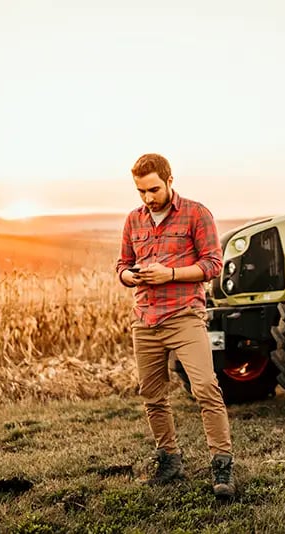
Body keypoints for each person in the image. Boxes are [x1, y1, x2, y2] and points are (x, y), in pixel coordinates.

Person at [116, 153, 235, 498]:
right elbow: (122, 264)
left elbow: (213, 264)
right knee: (152, 396)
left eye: (153, 189)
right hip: (145, 319)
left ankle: (222, 466)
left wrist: (169, 274)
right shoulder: (133, 220)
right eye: (141, 191)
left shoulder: (197, 213)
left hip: (184, 316)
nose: (148, 198)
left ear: (169, 181)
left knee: (205, 389)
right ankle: (169, 461)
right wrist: (129, 275)